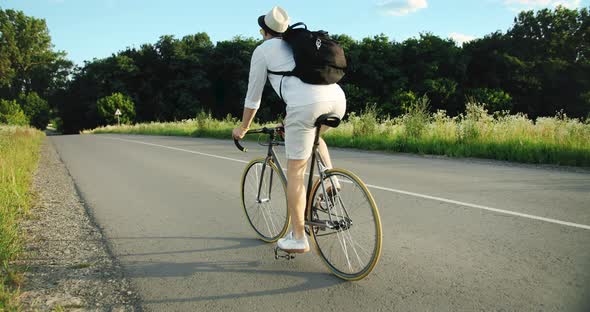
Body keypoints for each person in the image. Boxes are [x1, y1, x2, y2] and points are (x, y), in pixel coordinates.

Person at [232, 6, 346, 253]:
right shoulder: (298, 44)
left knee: (295, 172)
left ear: (264, 31)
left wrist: (243, 127)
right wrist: (288, 122)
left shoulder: (263, 51)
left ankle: (298, 237)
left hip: (306, 105)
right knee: (314, 135)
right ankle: (331, 179)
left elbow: (253, 98)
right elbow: (300, 83)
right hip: (337, 99)